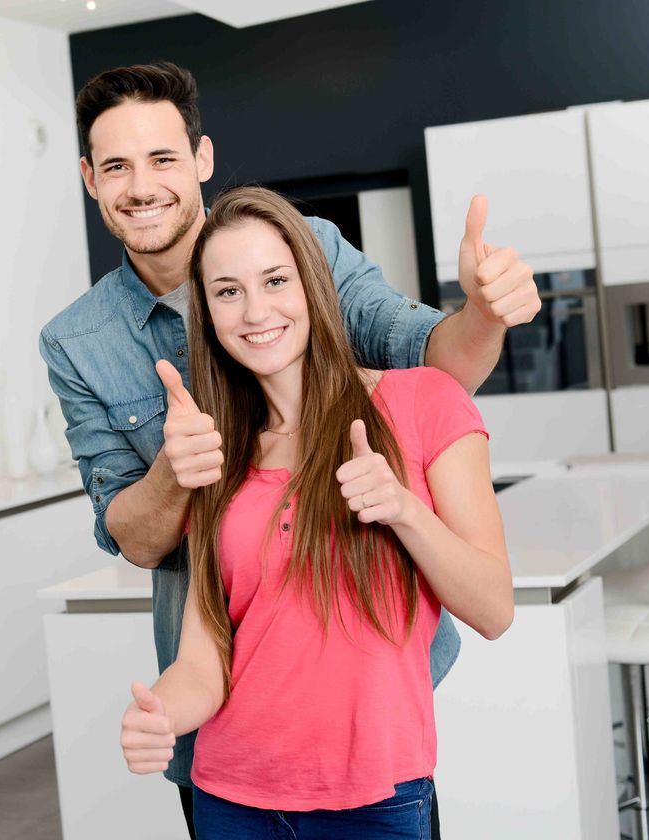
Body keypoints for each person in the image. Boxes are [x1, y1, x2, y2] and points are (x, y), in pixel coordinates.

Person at [38, 61, 537, 838]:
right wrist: (177, 471)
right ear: (89, 180)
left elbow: (429, 359)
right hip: (225, 746)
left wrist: (483, 315)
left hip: (375, 748)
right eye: (116, 166)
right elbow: (138, 542)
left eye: (163, 158)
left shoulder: (314, 251)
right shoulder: (84, 347)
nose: (141, 185)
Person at [120, 186, 513, 839]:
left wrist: (404, 511)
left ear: (312, 286)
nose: (255, 311)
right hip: (231, 801)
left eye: (275, 280)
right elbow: (204, 660)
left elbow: (494, 609)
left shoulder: (424, 403)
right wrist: (159, 711)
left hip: (377, 802)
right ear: (208, 315)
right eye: (227, 291)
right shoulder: (219, 455)